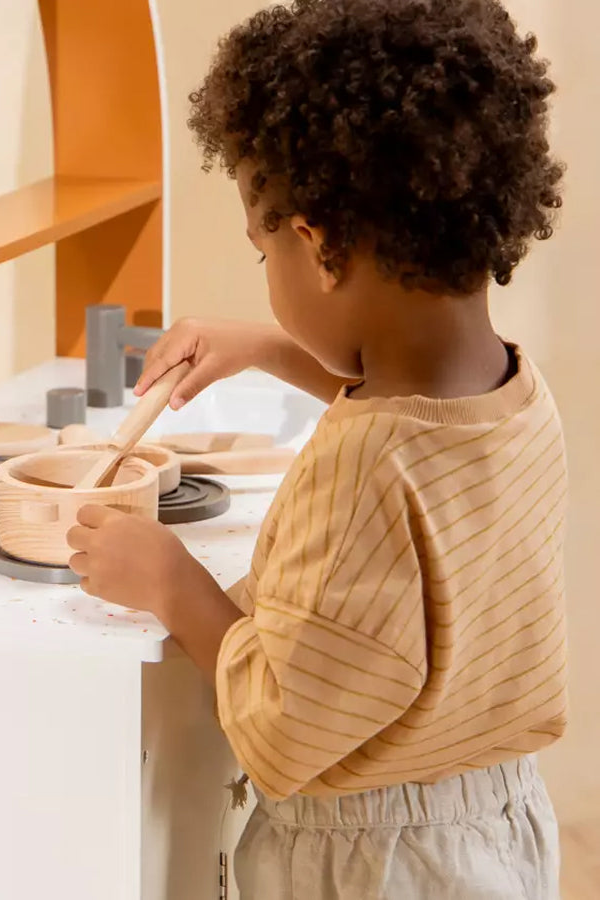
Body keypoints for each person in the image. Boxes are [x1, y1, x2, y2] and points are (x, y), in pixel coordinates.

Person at [66, 1, 567, 896]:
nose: (267, 275)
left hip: (366, 864)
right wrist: (266, 346)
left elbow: (284, 724)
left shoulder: (359, 472)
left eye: (264, 254)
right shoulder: (518, 395)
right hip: (496, 828)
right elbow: (416, 424)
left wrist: (171, 582)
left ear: (321, 245)